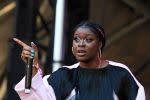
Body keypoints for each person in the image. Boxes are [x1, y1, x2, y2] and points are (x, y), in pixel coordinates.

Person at [13, 21, 145, 100]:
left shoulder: (119, 73)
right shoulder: (64, 75)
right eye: (76, 39)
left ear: (100, 44)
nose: (80, 44)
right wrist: (33, 65)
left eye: (88, 40)